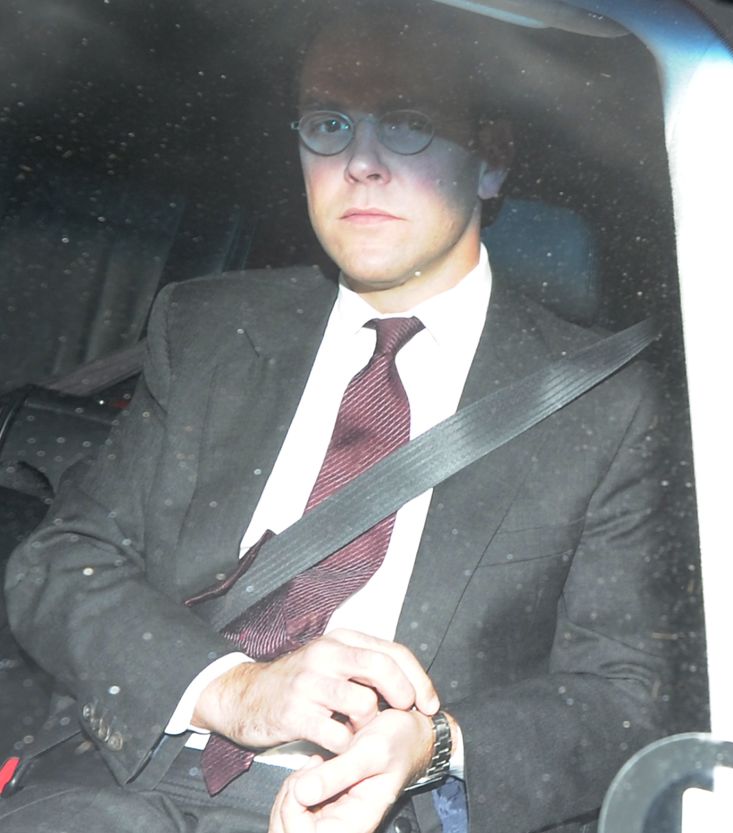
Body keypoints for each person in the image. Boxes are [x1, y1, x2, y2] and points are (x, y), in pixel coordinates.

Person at [0, 4, 695, 833]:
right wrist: (228, 686)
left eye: (407, 124)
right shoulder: (211, 329)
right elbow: (63, 562)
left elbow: (624, 693)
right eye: (329, 123)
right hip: (138, 782)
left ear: (491, 160)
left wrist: (433, 748)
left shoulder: (607, 404)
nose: (360, 162)